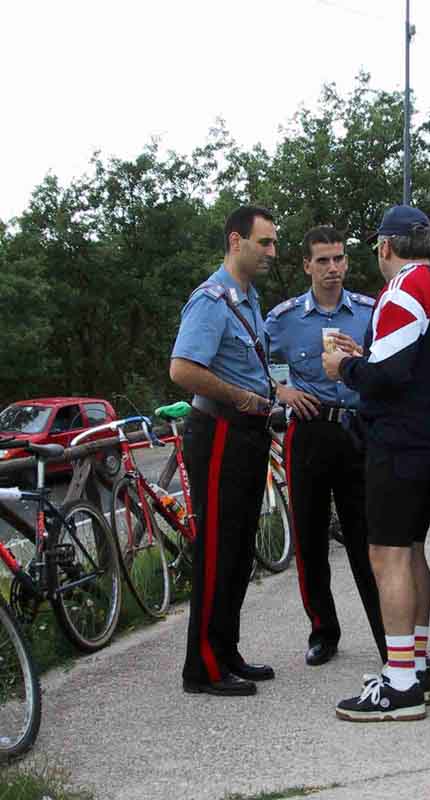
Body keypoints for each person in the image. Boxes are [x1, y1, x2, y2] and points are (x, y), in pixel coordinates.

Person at [323, 205, 430, 722]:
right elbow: (410, 361)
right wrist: (365, 355)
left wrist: (344, 366)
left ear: (385, 246)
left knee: (387, 555)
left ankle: (401, 681)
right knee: (410, 551)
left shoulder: (404, 288)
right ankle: (415, 666)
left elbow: (386, 378)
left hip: (401, 442)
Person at [265, 226, 387, 667]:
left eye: (338, 259)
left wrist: (363, 361)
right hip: (310, 432)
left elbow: (389, 365)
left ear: (347, 262)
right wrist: (280, 392)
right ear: (307, 266)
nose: (332, 268)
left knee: (368, 539)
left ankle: (389, 637)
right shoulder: (284, 319)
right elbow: (249, 363)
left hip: (357, 431)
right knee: (310, 538)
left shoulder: (370, 313)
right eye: (322, 260)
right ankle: (323, 632)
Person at [170, 205, 278, 697]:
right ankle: (203, 668)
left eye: (273, 243)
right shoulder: (211, 301)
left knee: (237, 550)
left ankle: (225, 651)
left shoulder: (248, 299)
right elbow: (182, 369)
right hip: (219, 432)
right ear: (237, 241)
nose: (272, 251)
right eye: (264, 242)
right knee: (216, 548)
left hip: (248, 434)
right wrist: (239, 397)